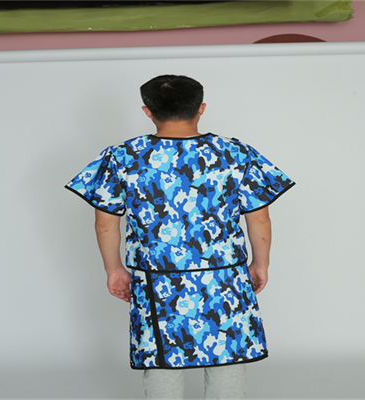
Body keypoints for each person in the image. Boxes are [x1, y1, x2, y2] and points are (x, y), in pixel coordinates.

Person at [65, 75, 295, 399]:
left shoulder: (122, 156)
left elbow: (105, 224)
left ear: (147, 111)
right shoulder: (236, 153)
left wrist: (114, 269)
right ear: (201, 108)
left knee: (161, 358)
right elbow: (260, 217)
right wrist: (261, 264)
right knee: (227, 354)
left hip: (157, 278)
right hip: (224, 276)